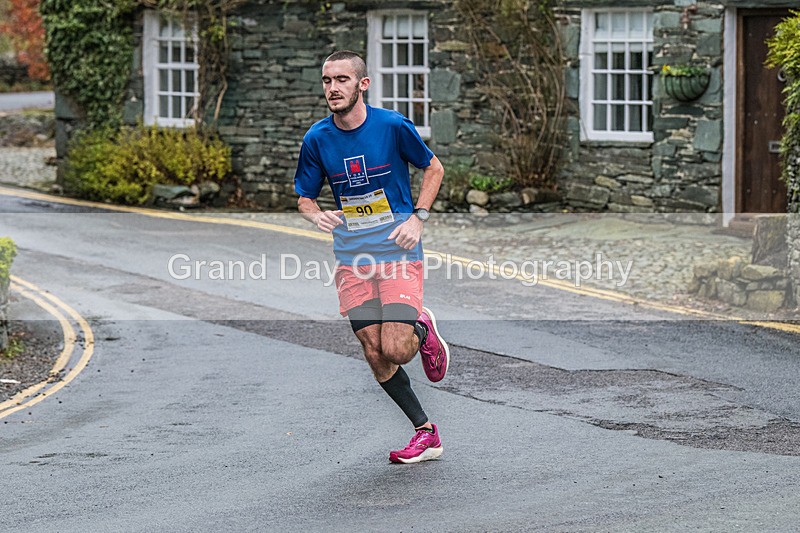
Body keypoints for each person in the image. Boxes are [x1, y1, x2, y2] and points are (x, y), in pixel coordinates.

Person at [294, 50, 450, 464]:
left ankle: (421, 328)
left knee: (395, 349)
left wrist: (418, 218)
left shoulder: (392, 126)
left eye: (342, 79)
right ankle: (426, 433)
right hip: (352, 257)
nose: (332, 88)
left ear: (362, 84)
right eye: (327, 80)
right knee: (373, 350)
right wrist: (316, 214)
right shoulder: (317, 139)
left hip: (397, 250)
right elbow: (305, 197)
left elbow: (433, 168)